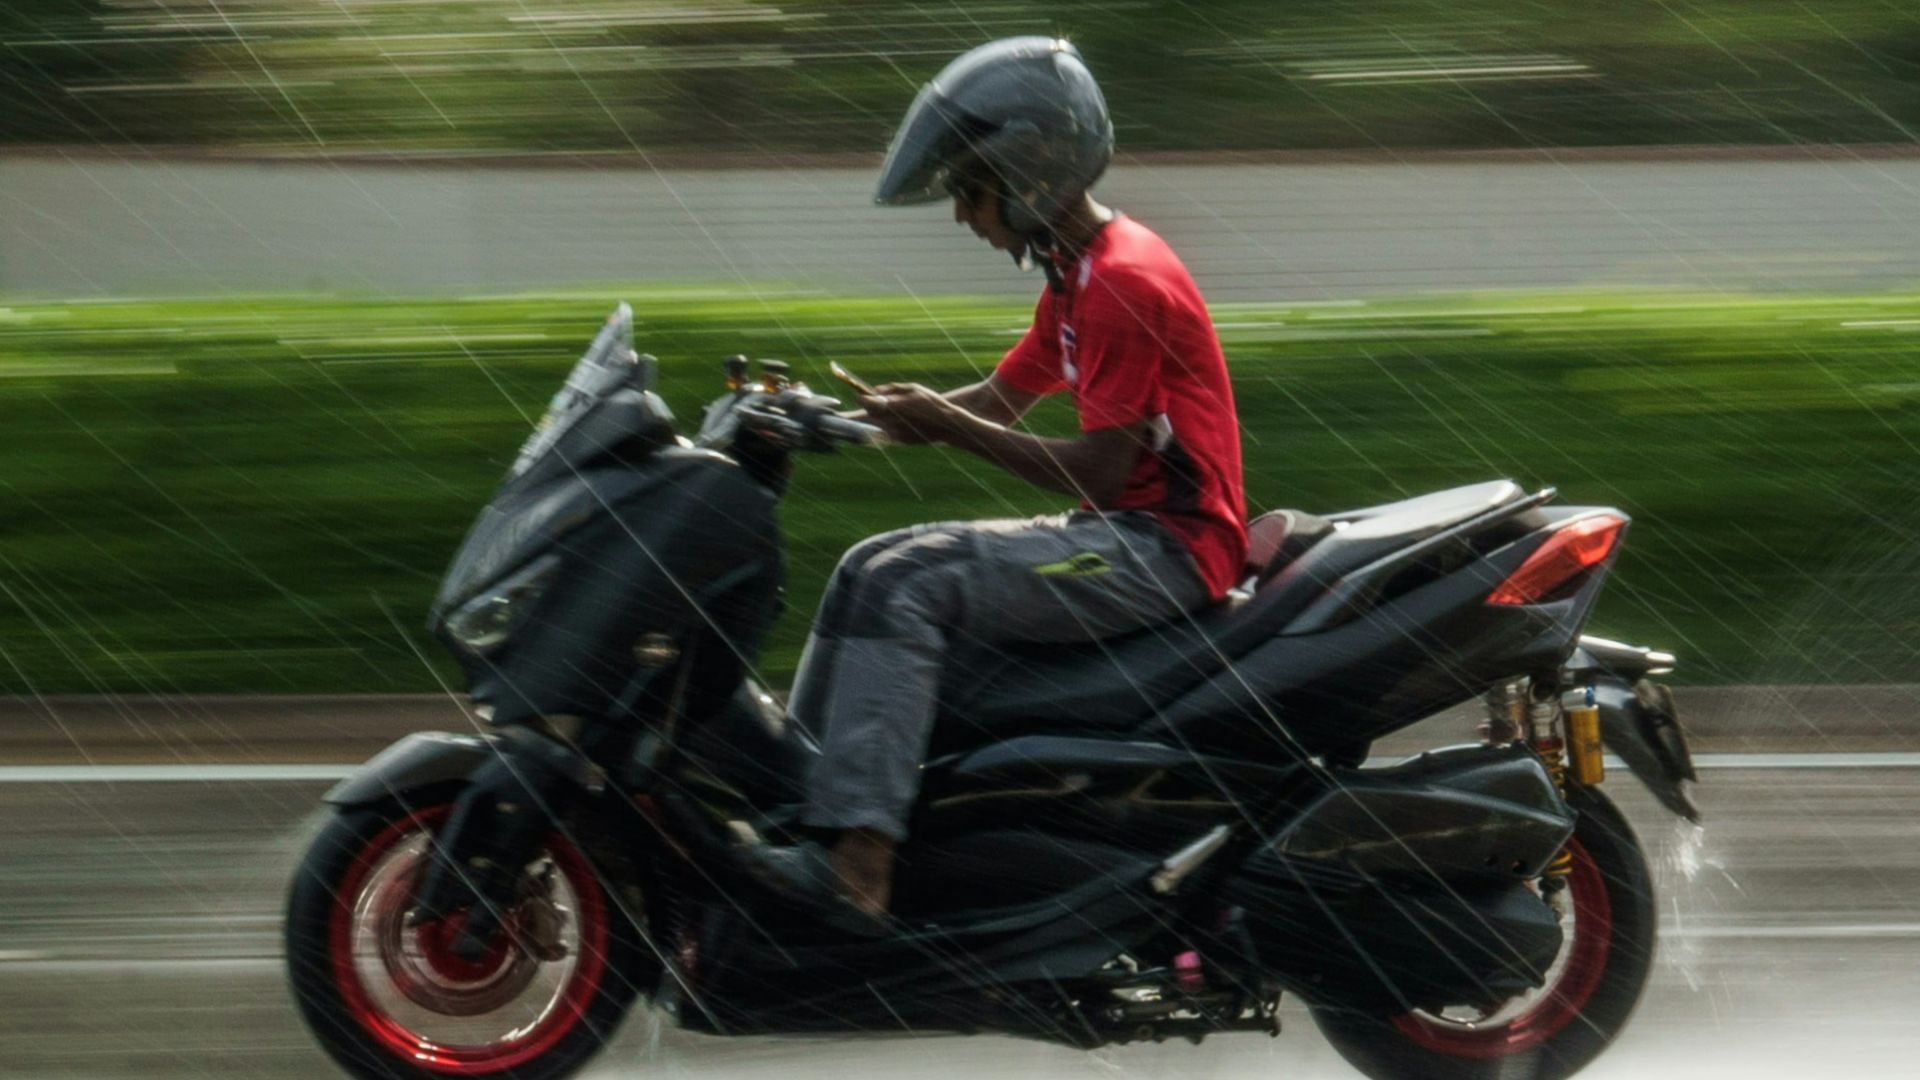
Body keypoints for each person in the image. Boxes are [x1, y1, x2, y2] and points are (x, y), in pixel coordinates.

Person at [758, 36, 1246, 928]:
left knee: (908, 584)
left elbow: (1104, 466)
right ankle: (807, 810)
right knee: (870, 563)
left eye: (966, 191)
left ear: (1027, 175)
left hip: (1167, 550)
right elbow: (1001, 399)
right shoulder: (1078, 272)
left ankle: (861, 867)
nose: (961, 216)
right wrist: (851, 423)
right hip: (1128, 535)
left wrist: (949, 427)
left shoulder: (1120, 282)